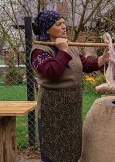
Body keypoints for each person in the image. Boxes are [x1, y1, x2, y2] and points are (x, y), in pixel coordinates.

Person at [31, 10, 110, 162]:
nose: (64, 27)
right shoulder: (40, 50)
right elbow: (52, 72)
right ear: (47, 29)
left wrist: (102, 59)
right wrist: (63, 50)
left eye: (63, 23)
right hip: (52, 108)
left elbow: (84, 64)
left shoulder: (70, 46)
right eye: (58, 24)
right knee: (52, 146)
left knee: (72, 145)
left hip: (71, 106)